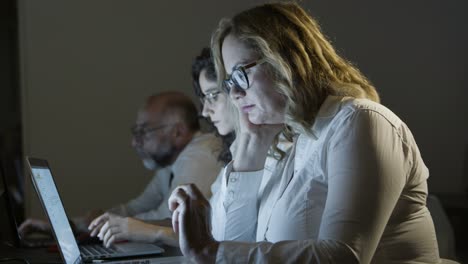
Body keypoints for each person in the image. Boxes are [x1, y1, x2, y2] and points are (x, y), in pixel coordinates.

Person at [168, 2, 440, 263]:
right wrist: (249, 148)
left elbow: (344, 256)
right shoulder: (286, 140)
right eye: (230, 82)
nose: (235, 94)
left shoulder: (359, 120)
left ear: (285, 59)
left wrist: (210, 252)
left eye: (240, 74)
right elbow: (239, 245)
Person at [20, 91, 223, 247]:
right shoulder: (172, 162)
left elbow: (169, 222)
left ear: (177, 132)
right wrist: (74, 226)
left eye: (143, 131)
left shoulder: (200, 157)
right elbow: (135, 209)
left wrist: (114, 223)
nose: (134, 143)